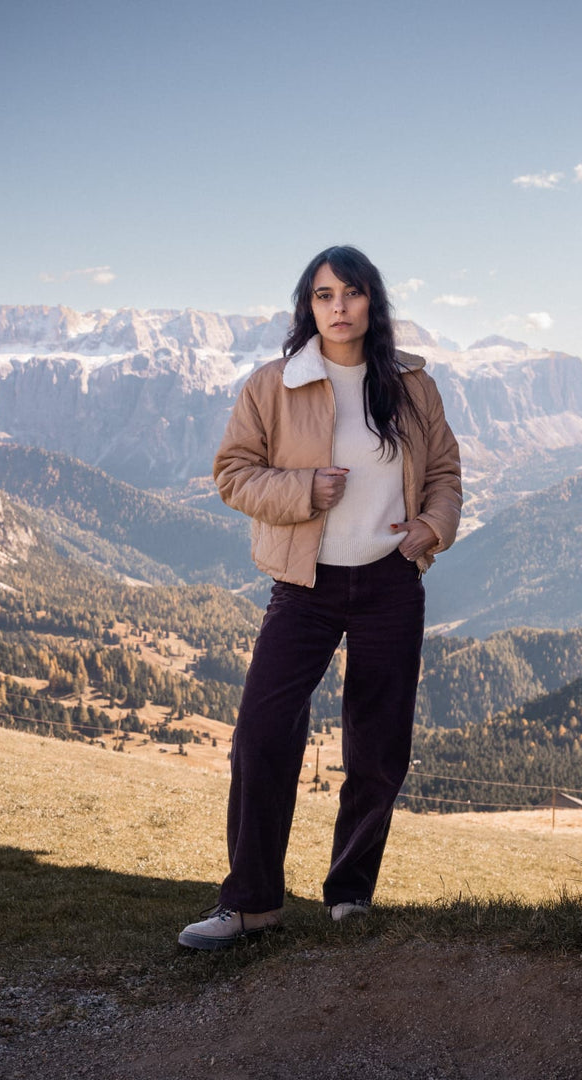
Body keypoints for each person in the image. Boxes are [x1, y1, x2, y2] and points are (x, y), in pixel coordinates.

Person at [178, 245, 462, 949]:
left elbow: (447, 473)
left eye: (352, 294)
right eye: (324, 295)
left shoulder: (409, 384)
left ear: (373, 302)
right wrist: (305, 491)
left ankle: (350, 895)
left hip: (391, 584)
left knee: (377, 748)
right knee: (263, 734)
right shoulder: (275, 384)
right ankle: (250, 905)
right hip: (304, 585)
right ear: (308, 306)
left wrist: (430, 527)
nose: (339, 309)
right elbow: (233, 475)